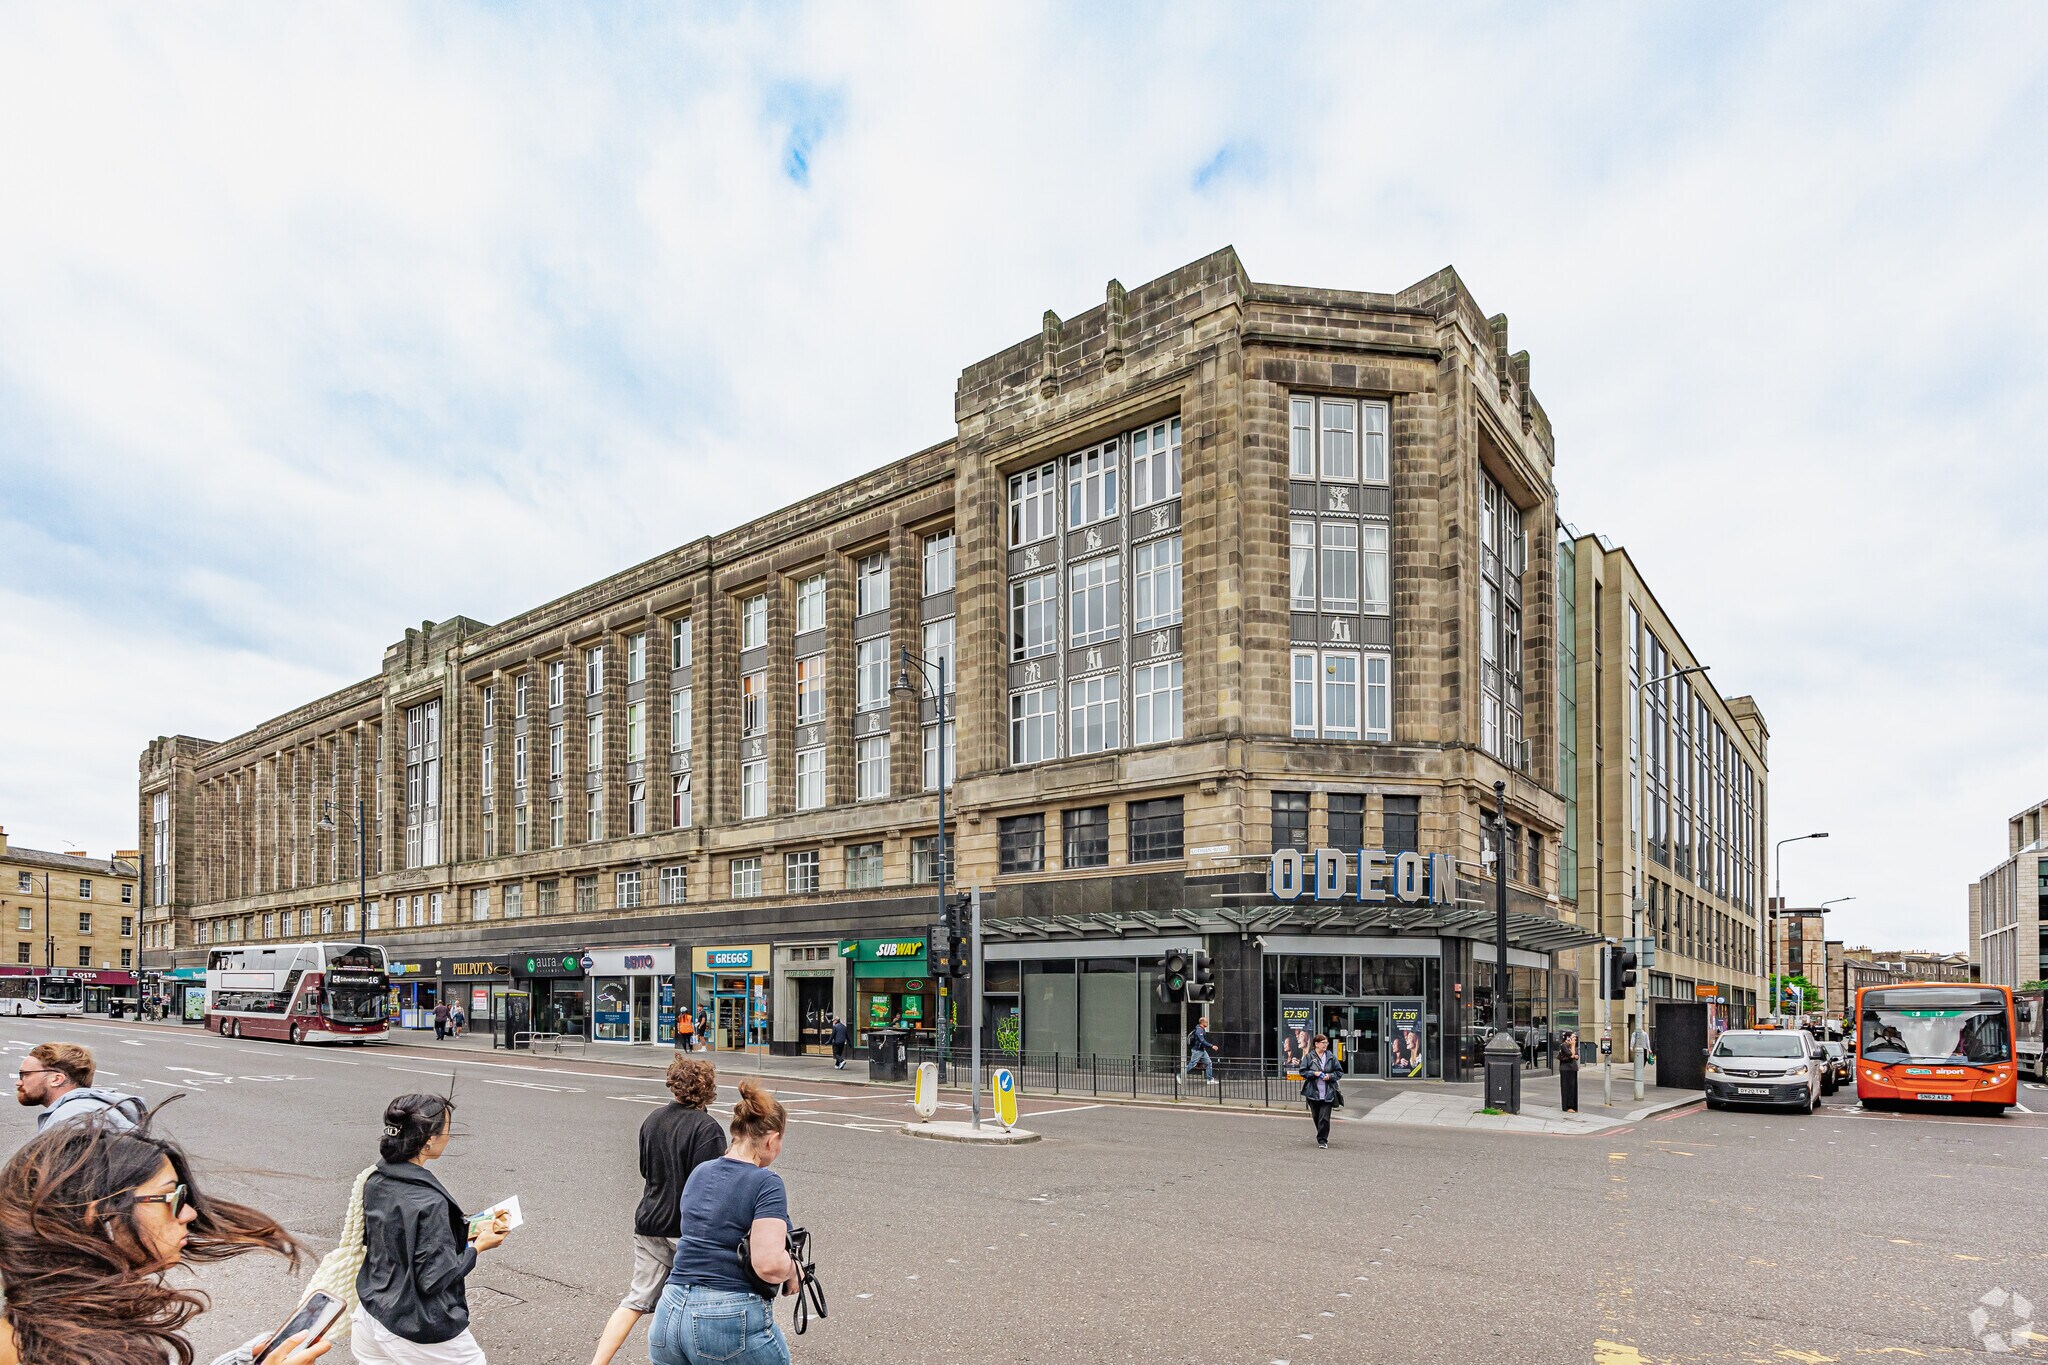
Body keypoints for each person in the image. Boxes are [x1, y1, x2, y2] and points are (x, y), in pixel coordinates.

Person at [0, 1103, 329, 1365]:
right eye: (173, 1198)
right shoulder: (86, 1352)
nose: (189, 1213)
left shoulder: (43, 1321)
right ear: (99, 1214)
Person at [648, 1079, 800, 1365]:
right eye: (779, 1143)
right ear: (771, 1139)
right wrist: (795, 1269)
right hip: (724, 1315)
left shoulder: (701, 1172)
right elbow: (768, 1264)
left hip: (669, 1312)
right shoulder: (766, 1182)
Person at [588, 1058, 726, 1365]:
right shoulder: (708, 1129)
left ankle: (598, 1362)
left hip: (649, 1223)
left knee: (636, 1301)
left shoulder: (652, 1119)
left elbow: (645, 1170)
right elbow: (711, 1188)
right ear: (708, 1090)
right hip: (686, 1232)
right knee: (705, 1302)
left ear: (674, 1085)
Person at [354, 1093, 510, 1364]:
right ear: (428, 1142)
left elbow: (399, 1239)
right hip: (416, 1327)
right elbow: (435, 1278)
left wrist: (468, 1228)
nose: (448, 1137)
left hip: (371, 1316)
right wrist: (478, 1247)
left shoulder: (376, 1180)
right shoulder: (430, 1202)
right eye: (446, 1130)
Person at [15, 1042, 144, 1131]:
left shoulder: (70, 1120)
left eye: (25, 1074)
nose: (19, 1082)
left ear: (56, 1079)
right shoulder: (96, 1109)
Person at [1300, 1033, 1344, 1150]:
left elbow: (1339, 1072)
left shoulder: (1331, 1057)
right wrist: (1314, 1073)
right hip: (1313, 1092)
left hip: (1328, 1092)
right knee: (1316, 1116)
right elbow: (1302, 1072)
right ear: (1316, 1044)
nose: (1326, 1045)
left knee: (1324, 1118)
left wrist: (1329, 1076)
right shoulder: (1309, 1057)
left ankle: (1322, 1140)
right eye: (1323, 1043)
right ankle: (1321, 1133)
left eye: (1326, 1043)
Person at [1184, 1016, 1219, 1083]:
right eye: (1206, 1022)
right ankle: (1180, 1076)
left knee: (1209, 1063)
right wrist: (1212, 1046)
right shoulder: (1199, 1030)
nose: (1207, 1023)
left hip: (1202, 1050)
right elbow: (1202, 1041)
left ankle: (1210, 1079)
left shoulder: (1202, 1029)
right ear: (1202, 1022)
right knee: (1192, 1064)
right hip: (1197, 1050)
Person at [1558, 1029, 1582, 1112]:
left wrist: (1574, 1052)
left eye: (1575, 1037)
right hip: (1566, 1068)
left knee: (1573, 1087)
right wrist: (1572, 1047)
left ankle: (1573, 1106)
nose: (1575, 1038)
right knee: (1567, 1087)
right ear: (1568, 1038)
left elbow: (1576, 1055)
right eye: (1573, 1037)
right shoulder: (1563, 1045)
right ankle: (1567, 1106)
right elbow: (1570, 1054)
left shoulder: (1573, 1045)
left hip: (1573, 1068)